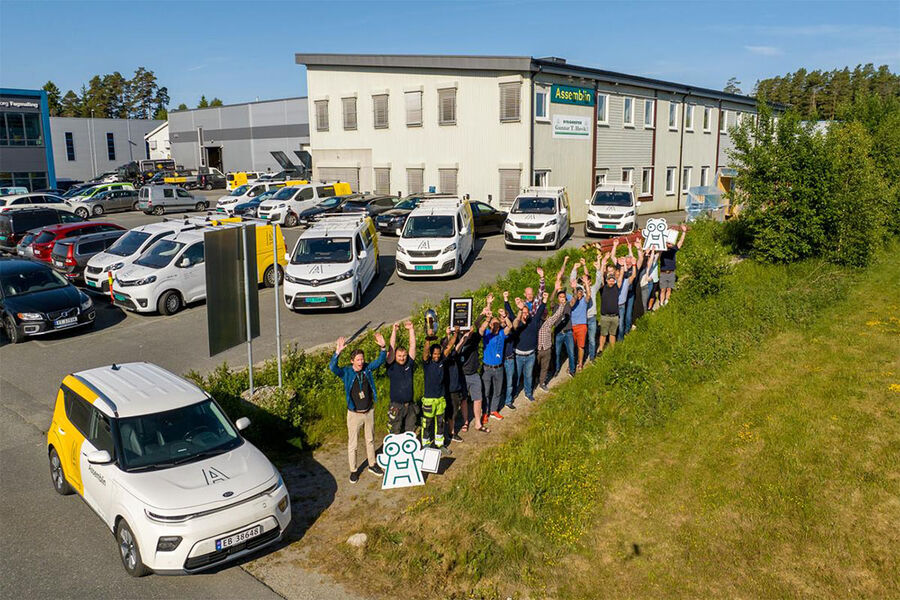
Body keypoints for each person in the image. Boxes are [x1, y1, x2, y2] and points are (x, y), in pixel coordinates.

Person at [330, 332, 387, 484]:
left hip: (369, 411)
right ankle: (354, 470)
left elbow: (380, 361)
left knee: (370, 440)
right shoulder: (347, 372)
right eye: (358, 360)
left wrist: (383, 347)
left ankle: (372, 464)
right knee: (353, 444)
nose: (361, 362)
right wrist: (337, 352)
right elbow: (332, 368)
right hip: (354, 414)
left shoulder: (367, 369)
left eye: (362, 359)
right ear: (352, 361)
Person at [421, 326, 459, 454]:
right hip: (429, 400)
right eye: (434, 354)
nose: (436, 356)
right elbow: (425, 352)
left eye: (438, 353)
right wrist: (428, 340)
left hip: (440, 399)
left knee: (440, 423)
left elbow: (450, 346)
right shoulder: (427, 363)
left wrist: (456, 333)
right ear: (432, 354)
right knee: (427, 423)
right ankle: (425, 444)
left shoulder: (442, 359)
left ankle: (440, 444)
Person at [481, 294, 515, 422]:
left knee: (497, 391)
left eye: (496, 323)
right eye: (493, 323)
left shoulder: (502, 333)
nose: (495, 324)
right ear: (490, 325)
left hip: (499, 368)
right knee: (486, 392)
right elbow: (482, 326)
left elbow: (510, 326)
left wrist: (505, 316)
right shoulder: (487, 334)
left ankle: (494, 410)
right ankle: (485, 412)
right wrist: (488, 304)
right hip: (487, 368)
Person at [458, 312, 489, 433]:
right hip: (463, 375)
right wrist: (465, 335)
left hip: (474, 374)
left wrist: (483, 315)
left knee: (478, 398)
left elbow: (480, 328)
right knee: (464, 399)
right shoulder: (460, 338)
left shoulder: (475, 337)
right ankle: (465, 422)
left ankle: (477, 422)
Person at [385, 321, 417, 435]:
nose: (402, 358)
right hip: (396, 406)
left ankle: (409, 452)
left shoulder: (409, 363)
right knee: (395, 432)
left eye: (404, 356)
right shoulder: (391, 365)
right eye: (399, 356)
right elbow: (391, 347)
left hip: (410, 405)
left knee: (410, 432)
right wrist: (394, 331)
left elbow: (413, 346)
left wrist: (411, 330)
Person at [514, 291, 544, 401]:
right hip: (518, 356)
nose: (525, 314)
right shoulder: (518, 324)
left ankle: (528, 393)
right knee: (516, 377)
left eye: (527, 312)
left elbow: (540, 311)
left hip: (530, 355)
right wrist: (507, 301)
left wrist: (544, 301)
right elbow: (514, 321)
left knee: (528, 376)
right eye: (523, 312)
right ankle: (514, 393)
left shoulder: (533, 321)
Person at [537, 289, 570, 390]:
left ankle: (542, 383)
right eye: (543, 313)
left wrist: (562, 305)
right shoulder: (535, 323)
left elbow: (557, 315)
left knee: (544, 367)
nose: (545, 314)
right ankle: (535, 381)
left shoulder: (548, 322)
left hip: (546, 349)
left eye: (546, 313)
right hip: (537, 350)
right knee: (535, 368)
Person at [553, 257, 576, 377]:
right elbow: (551, 301)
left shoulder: (568, 304)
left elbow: (574, 300)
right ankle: (556, 369)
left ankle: (572, 370)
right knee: (556, 353)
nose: (562, 298)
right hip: (558, 332)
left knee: (571, 353)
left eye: (563, 297)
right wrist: (555, 289)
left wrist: (574, 288)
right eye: (560, 297)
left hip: (568, 332)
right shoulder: (555, 306)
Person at [568, 259, 593, 372]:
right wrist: (574, 269)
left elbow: (589, 294)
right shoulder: (572, 299)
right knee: (571, 347)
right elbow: (572, 283)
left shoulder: (585, 300)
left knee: (581, 346)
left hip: (582, 326)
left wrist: (586, 284)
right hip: (572, 326)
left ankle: (580, 363)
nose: (579, 294)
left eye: (581, 292)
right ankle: (572, 364)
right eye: (578, 292)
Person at [597, 252, 624, 354]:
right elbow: (601, 278)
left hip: (614, 316)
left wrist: (621, 266)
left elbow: (620, 277)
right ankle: (600, 349)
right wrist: (603, 263)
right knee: (603, 334)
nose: (611, 281)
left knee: (613, 335)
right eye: (610, 280)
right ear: (607, 281)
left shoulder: (617, 288)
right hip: (605, 316)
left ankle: (612, 351)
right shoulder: (603, 288)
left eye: (613, 280)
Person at [442, 328, 466, 442]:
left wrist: (468, 332)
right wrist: (451, 335)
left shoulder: (454, 354)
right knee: (449, 412)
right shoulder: (443, 358)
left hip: (456, 388)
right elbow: (449, 345)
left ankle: (450, 432)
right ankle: (448, 433)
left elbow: (460, 344)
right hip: (448, 389)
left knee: (454, 411)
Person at [659, 225, 687, 306]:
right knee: (663, 289)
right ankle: (661, 302)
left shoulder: (673, 249)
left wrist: (684, 232)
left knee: (669, 289)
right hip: (663, 273)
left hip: (671, 272)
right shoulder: (662, 250)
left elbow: (680, 242)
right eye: (667, 243)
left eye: (670, 243)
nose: (669, 244)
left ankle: (666, 301)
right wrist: (666, 233)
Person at [501, 291, 519, 410]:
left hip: (509, 359)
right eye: (501, 318)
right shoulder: (496, 330)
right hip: (497, 361)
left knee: (509, 382)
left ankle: (508, 401)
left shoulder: (510, 331)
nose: (502, 320)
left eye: (504, 318)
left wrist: (506, 301)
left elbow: (511, 324)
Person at [586, 251, 604, 361]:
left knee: (592, 340)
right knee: (582, 341)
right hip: (582, 319)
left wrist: (598, 267)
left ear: (590, 281)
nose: (585, 282)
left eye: (588, 281)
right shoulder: (580, 290)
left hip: (592, 317)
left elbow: (599, 281)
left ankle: (592, 358)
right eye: (584, 281)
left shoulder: (593, 289)